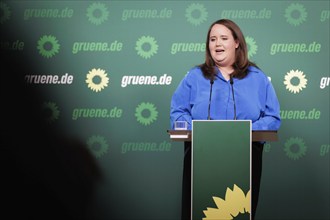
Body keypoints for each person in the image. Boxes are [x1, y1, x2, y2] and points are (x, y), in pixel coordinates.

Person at [170, 19, 281, 220]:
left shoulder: (257, 78)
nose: (217, 44)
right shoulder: (195, 77)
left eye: (223, 38)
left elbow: (273, 117)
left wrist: (244, 132)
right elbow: (178, 111)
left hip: (245, 157)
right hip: (201, 156)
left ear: (237, 42)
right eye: (212, 39)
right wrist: (196, 130)